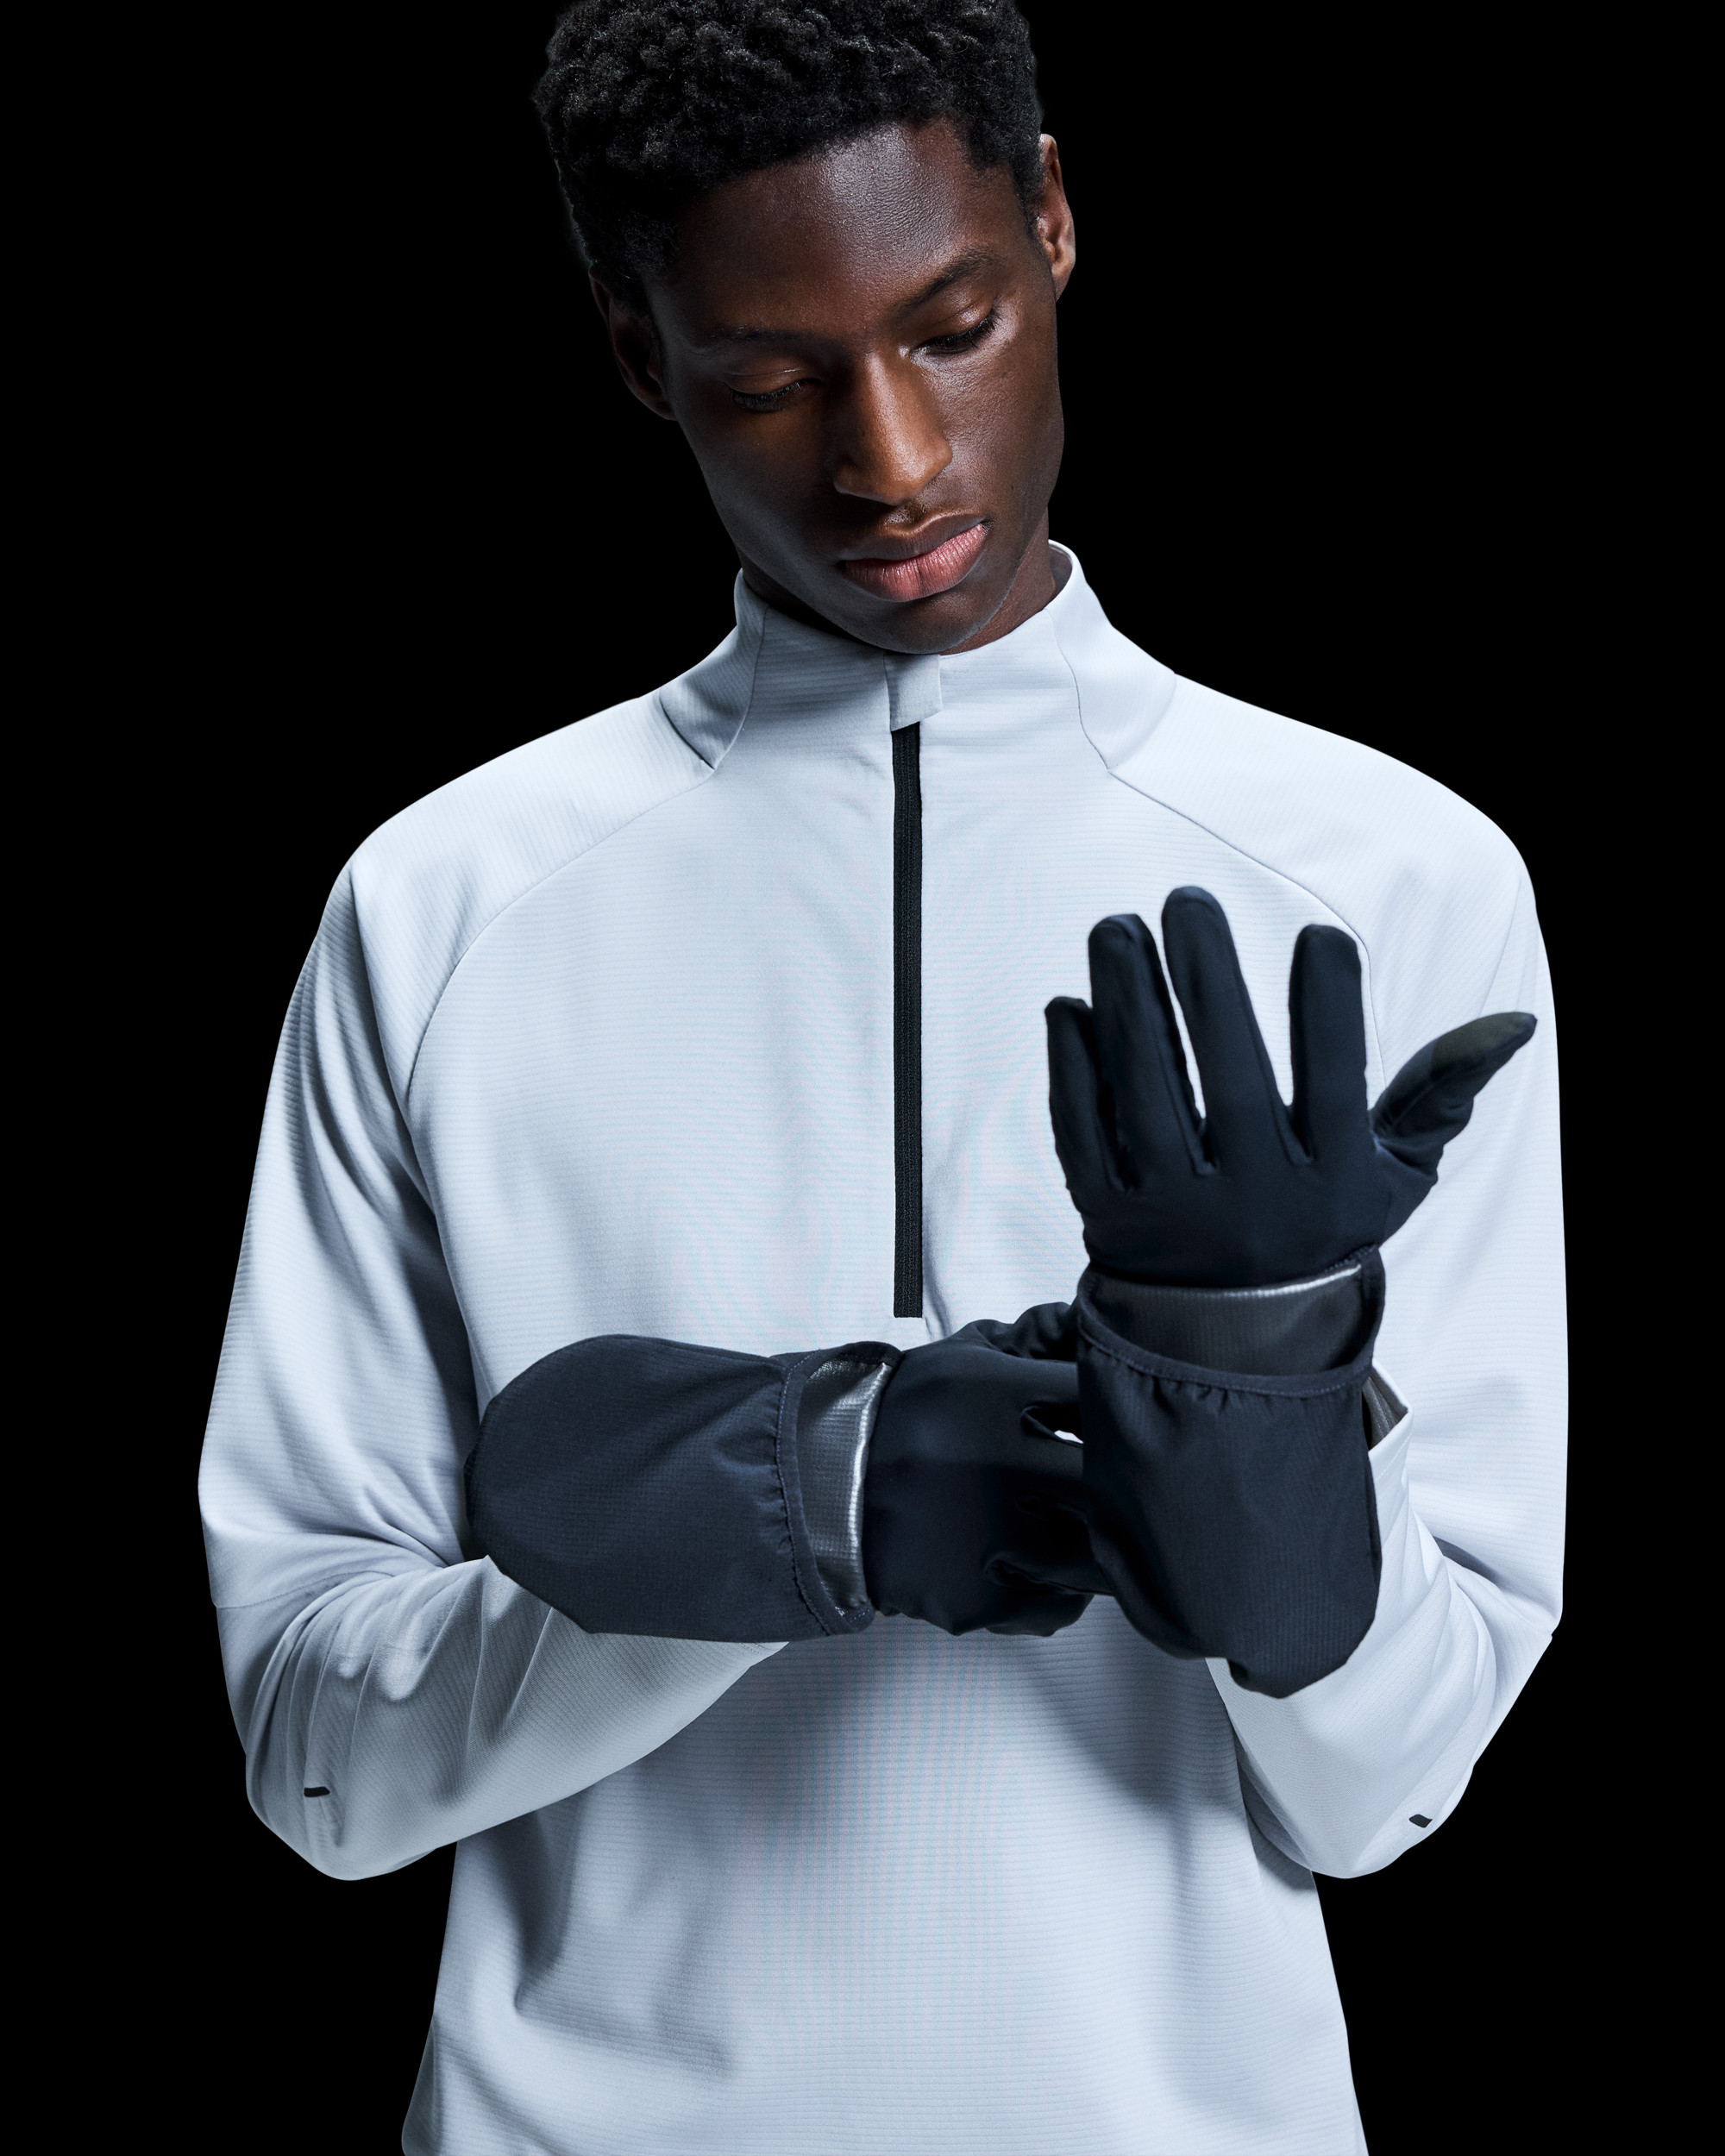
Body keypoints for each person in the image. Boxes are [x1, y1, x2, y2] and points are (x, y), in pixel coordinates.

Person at [199, 3, 1565, 2148]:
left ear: (1053, 222)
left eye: (953, 327)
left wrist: (1268, 1434)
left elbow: (1387, 1790)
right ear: (638, 352)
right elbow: (316, 1762)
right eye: (769, 377)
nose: (893, 460)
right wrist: (795, 1503)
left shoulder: (1392, 878)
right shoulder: (442, 903)